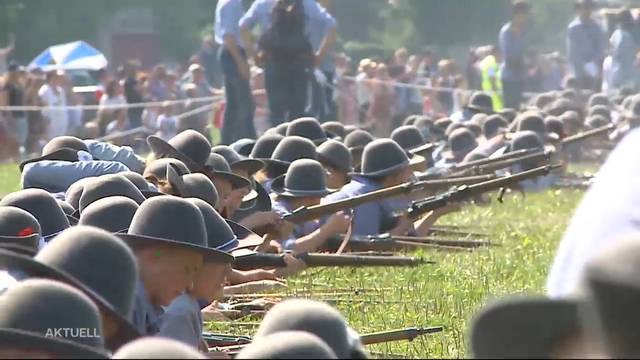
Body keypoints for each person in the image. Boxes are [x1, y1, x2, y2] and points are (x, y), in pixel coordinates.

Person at [240, 0, 337, 127]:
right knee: (297, 112)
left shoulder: (263, 3)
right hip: (299, 64)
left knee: (276, 112)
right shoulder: (307, 4)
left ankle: (275, 142)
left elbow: (243, 26)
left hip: (274, 63)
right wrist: (319, 55)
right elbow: (332, 25)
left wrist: (254, 55)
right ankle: (295, 142)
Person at [270, 159, 351, 252]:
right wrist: (328, 230)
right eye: (319, 197)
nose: (319, 201)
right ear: (312, 197)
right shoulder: (276, 214)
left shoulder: (304, 215)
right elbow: (286, 250)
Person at [215, 0, 257, 145]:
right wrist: (240, 62)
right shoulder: (231, 4)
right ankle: (248, 142)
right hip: (232, 53)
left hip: (232, 53)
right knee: (244, 103)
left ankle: (227, 142)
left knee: (233, 104)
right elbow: (228, 36)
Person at [567, 0, 606, 91]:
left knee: (595, 91)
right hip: (579, 69)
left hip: (595, 67)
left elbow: (600, 47)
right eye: (584, 7)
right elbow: (573, 51)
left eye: (589, 7)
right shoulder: (574, 28)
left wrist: (598, 64)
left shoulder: (597, 26)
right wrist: (583, 67)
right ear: (579, 9)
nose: (587, 10)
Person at [499, 0, 530, 109]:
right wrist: (524, 63)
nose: (525, 17)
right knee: (510, 108)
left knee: (518, 107)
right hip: (509, 77)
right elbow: (509, 58)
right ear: (517, 14)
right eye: (523, 14)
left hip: (520, 77)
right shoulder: (507, 32)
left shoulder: (523, 32)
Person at [1, 63, 28, 157]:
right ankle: (12, 157)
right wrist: (9, 117)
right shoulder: (7, 86)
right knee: (12, 139)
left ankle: (17, 157)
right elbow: (4, 103)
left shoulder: (19, 85)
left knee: (20, 139)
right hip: (12, 117)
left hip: (21, 116)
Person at [609, 9, 637, 91]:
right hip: (625, 78)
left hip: (615, 74)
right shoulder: (625, 37)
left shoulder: (615, 34)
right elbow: (626, 60)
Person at [38, 70, 69, 141]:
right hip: (50, 120)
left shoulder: (61, 90)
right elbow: (43, 106)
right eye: (57, 77)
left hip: (62, 119)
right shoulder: (44, 90)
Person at [123, 61, 145, 129]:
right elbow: (138, 90)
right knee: (135, 126)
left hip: (139, 107)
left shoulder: (134, 80)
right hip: (133, 107)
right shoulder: (129, 81)